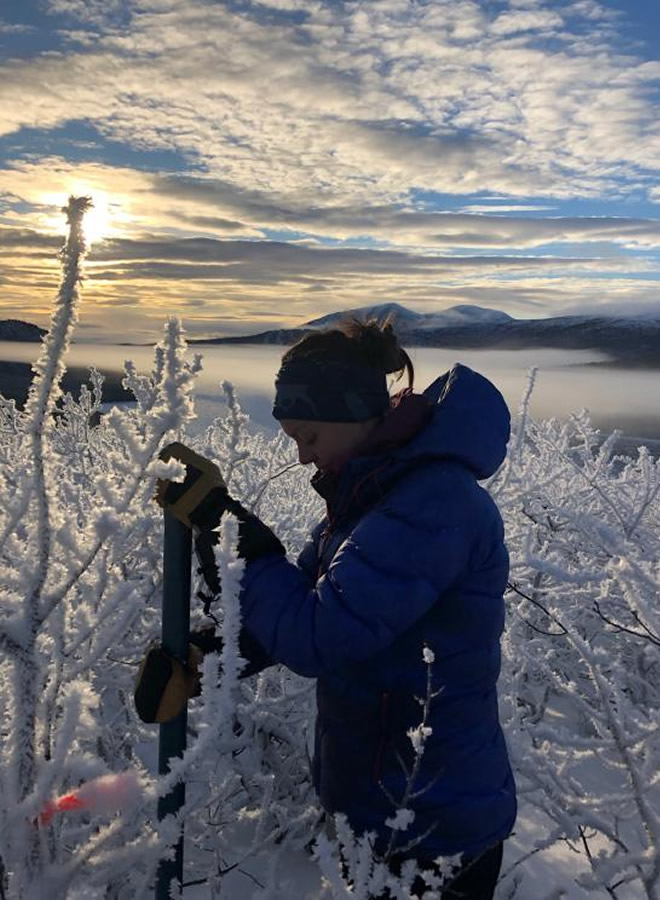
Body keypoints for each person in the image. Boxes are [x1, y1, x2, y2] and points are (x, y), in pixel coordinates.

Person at [140, 318, 517, 900]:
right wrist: (210, 656)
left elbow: (322, 636)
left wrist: (228, 530)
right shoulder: (370, 499)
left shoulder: (433, 503)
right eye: (294, 439)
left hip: (432, 826)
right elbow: (309, 604)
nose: (303, 456)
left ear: (353, 414)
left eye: (310, 437)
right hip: (380, 808)